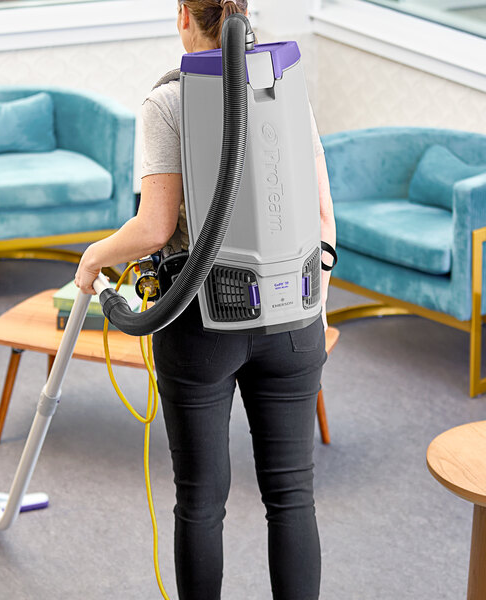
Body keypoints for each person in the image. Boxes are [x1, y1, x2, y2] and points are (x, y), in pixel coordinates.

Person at [74, 1, 337, 598]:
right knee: (293, 495)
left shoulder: (167, 102)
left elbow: (155, 229)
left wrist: (93, 256)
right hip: (294, 317)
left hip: (199, 320)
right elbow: (324, 219)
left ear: (182, 15)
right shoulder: (287, 86)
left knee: (200, 501)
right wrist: (304, 301)